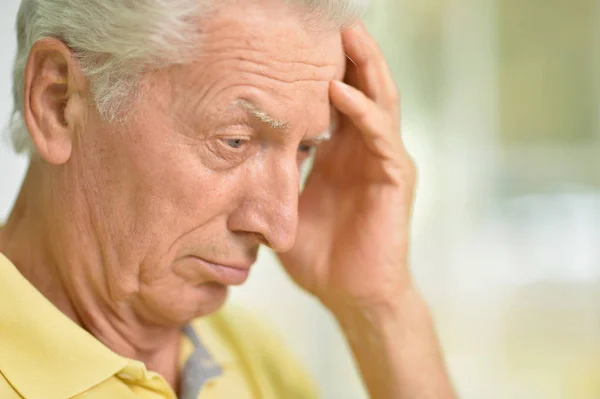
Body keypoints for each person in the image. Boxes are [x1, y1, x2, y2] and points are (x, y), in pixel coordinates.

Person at [0, 0, 456, 398]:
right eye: (234, 141)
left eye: (305, 149)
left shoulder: (256, 359)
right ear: (57, 100)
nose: (282, 228)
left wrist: (380, 307)